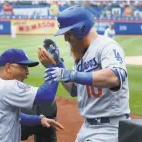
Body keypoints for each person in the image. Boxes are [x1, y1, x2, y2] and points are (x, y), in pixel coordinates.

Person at [40, 5, 130, 142]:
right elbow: (75, 89)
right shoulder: (82, 55)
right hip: (87, 127)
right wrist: (57, 64)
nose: (66, 39)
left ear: (81, 29)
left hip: (109, 128)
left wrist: (72, 74)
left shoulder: (107, 46)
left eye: (68, 34)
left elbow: (115, 77)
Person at [0, 48, 64, 142]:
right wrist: (53, 67)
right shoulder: (7, 86)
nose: (27, 72)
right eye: (23, 67)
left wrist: (38, 120)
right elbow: (46, 95)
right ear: (8, 67)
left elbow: (12, 115)